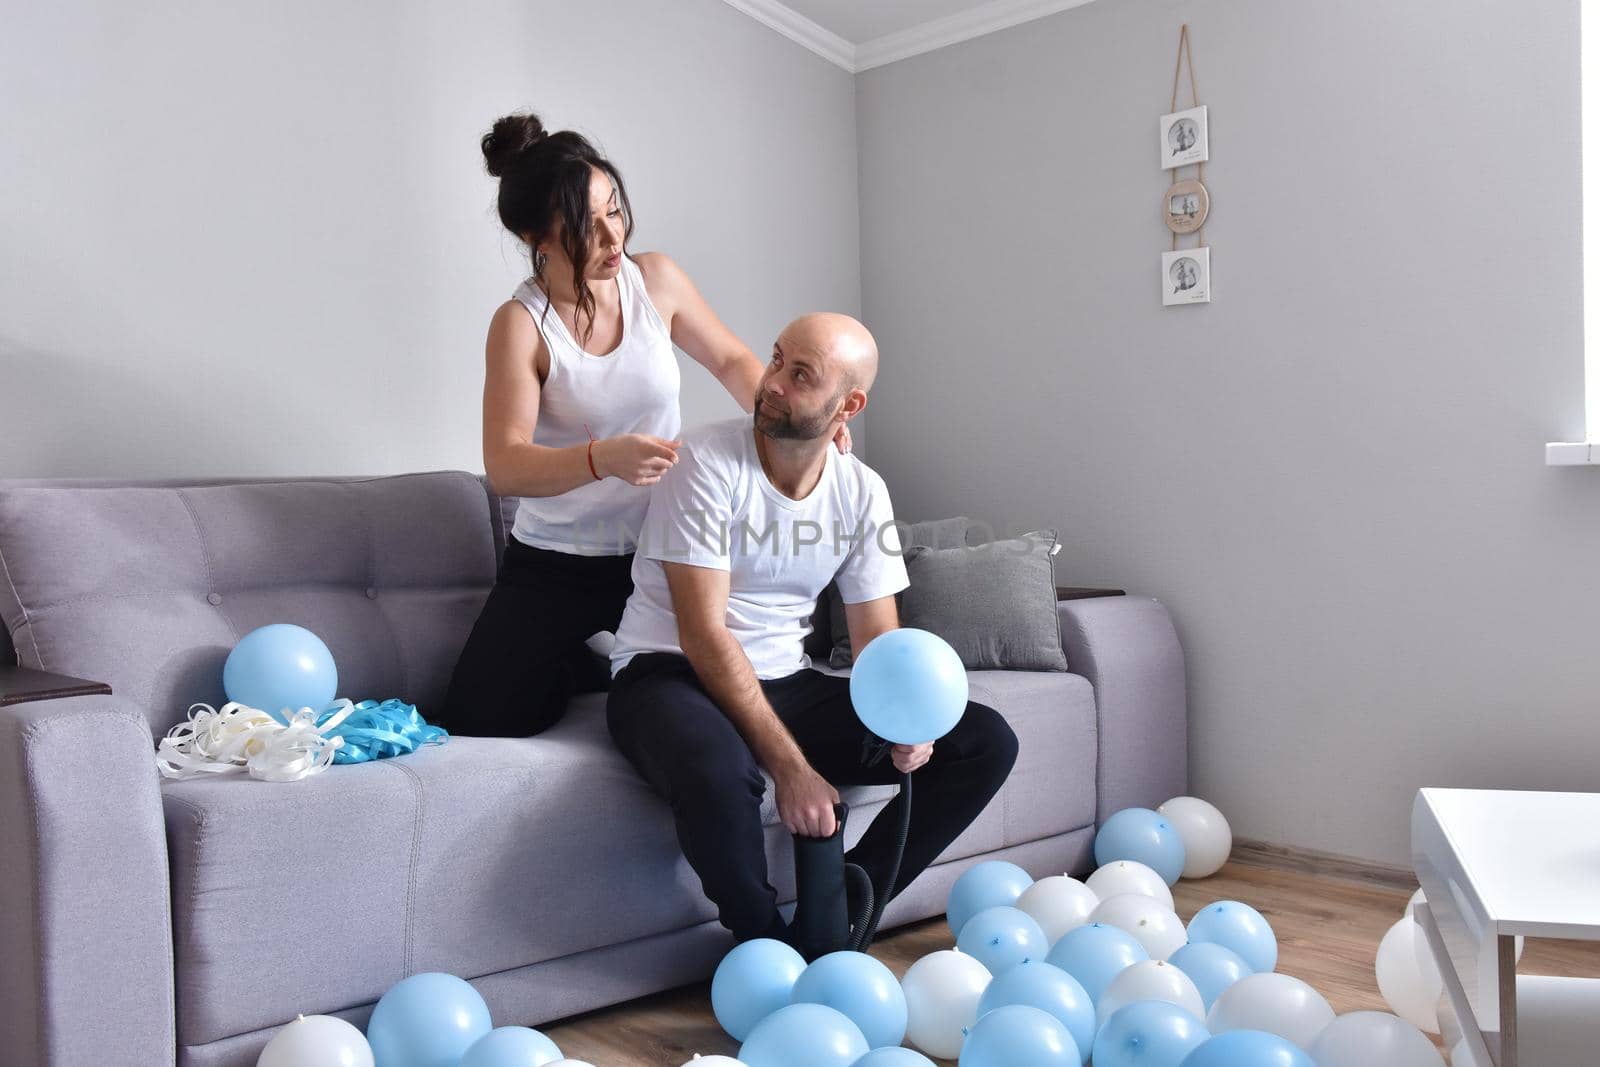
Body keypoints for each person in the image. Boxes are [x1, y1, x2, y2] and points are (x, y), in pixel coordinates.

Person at [605, 312, 1019, 947]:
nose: (771, 382)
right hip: (667, 673)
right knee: (720, 771)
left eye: (801, 375)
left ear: (847, 405)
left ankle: (845, 904)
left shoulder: (862, 491)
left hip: (784, 680)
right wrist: (793, 770)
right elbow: (703, 635)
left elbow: (878, 639)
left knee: (983, 740)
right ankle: (766, 944)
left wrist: (908, 722)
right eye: (776, 360)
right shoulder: (704, 463)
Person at [442, 113, 848, 738]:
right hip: (557, 560)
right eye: (586, 224)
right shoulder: (521, 324)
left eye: (615, 211)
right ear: (536, 236)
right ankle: (583, 662)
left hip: (663, 549)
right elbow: (506, 464)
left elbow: (732, 360)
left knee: (719, 694)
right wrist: (601, 458)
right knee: (483, 714)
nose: (612, 237)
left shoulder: (653, 279)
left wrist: (800, 425)